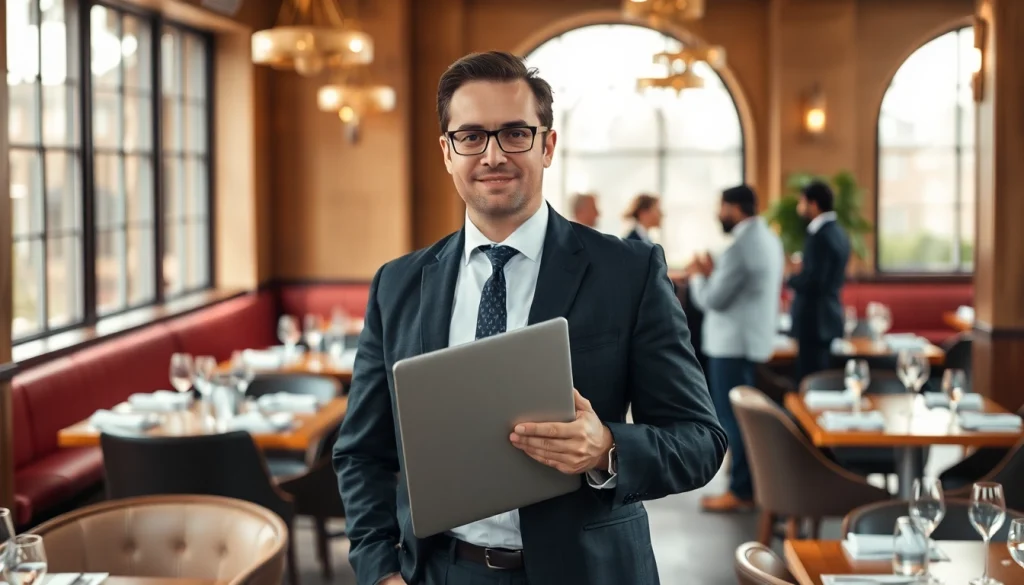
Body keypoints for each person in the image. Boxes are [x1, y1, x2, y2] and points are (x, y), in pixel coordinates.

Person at [333, 50, 726, 585]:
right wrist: (380, 571)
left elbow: (701, 440)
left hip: (590, 572)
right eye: (471, 136)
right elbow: (361, 453)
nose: (492, 155)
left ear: (548, 145)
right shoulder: (397, 285)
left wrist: (607, 448)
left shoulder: (628, 272)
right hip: (441, 573)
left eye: (514, 133)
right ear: (447, 152)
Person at [686, 185, 784, 513]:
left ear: (734, 208)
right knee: (745, 418)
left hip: (731, 345)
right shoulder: (768, 239)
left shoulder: (739, 247)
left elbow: (711, 300)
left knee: (734, 420)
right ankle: (752, 484)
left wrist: (700, 276)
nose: (718, 214)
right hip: (754, 340)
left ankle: (741, 491)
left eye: (721, 207)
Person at [787, 180, 850, 383]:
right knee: (820, 377)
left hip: (813, 321)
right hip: (828, 317)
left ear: (813, 204)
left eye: (802, 203)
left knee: (809, 381)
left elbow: (814, 282)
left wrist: (791, 276)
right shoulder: (839, 232)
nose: (799, 208)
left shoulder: (819, 235)